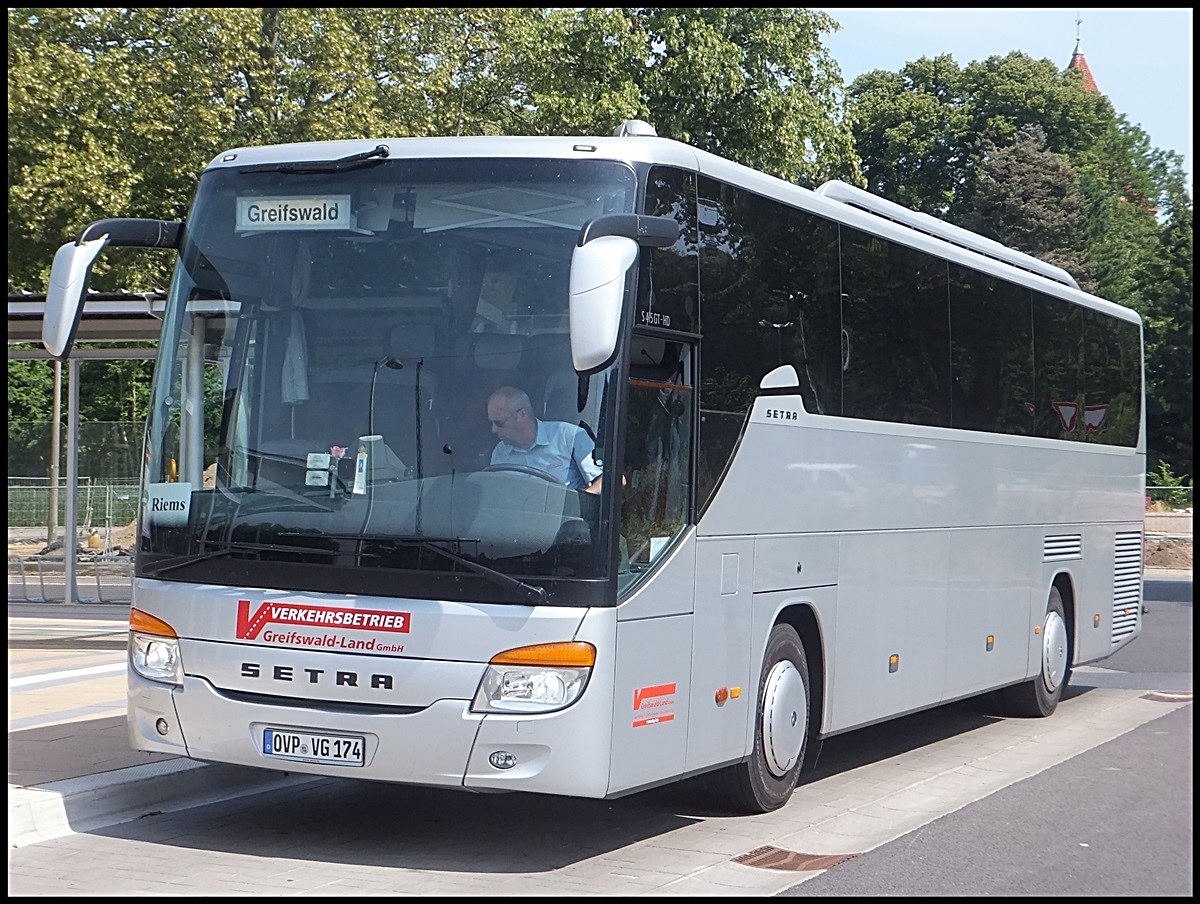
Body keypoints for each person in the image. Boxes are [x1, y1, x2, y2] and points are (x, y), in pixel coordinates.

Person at [486, 386, 602, 493]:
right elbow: (496, 495)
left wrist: (576, 504)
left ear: (522, 414)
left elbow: (606, 481)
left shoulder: (570, 436)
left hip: (563, 513)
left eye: (498, 423)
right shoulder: (500, 452)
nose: (493, 430)